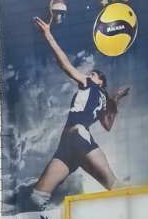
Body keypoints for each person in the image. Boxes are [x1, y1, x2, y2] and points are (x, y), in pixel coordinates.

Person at [27, 11, 129, 206]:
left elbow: (65, 64)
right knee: (37, 196)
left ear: (100, 82)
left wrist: (48, 35)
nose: (88, 75)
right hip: (72, 140)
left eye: (93, 74)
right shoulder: (102, 98)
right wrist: (115, 99)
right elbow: (108, 125)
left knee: (114, 185)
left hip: (75, 136)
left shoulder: (90, 86)